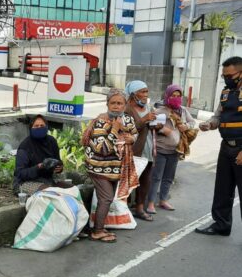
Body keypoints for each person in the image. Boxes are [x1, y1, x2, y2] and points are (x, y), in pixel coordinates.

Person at [83, 89, 138, 243]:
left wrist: (131, 139)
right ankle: (97, 231)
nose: (116, 106)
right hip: (98, 167)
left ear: (125, 105)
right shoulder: (100, 122)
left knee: (107, 198)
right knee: (106, 198)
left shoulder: (127, 120)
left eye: (119, 103)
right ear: (107, 104)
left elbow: (134, 133)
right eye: (112, 103)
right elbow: (103, 149)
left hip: (115, 168)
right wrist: (114, 129)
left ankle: (99, 227)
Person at [196, 56, 242, 236]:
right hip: (226, 147)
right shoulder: (226, 93)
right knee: (223, 189)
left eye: (229, 75)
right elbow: (218, 116)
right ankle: (221, 225)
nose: (226, 79)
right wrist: (209, 124)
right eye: (224, 76)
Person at [146, 85, 196, 215]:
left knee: (168, 177)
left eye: (178, 96)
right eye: (173, 96)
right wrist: (162, 130)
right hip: (161, 150)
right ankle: (150, 203)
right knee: (156, 177)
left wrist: (186, 126)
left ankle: (163, 200)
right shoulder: (160, 111)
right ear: (167, 96)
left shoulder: (183, 111)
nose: (176, 98)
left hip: (176, 150)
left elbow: (192, 122)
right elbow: (151, 125)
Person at [124, 80, 158, 221]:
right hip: (133, 150)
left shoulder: (148, 108)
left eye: (146, 92)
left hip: (148, 148)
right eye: (142, 92)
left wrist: (157, 124)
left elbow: (150, 128)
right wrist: (144, 119)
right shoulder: (126, 109)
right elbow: (128, 129)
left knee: (145, 180)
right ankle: (123, 210)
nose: (146, 95)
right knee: (128, 180)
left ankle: (139, 208)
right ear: (133, 94)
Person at [14, 115, 64, 195]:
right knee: (50, 193)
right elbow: (20, 173)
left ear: (46, 127)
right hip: (25, 182)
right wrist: (39, 167)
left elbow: (57, 161)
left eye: (42, 126)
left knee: (71, 190)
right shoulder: (25, 147)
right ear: (31, 128)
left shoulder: (51, 141)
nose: (39, 128)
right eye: (36, 126)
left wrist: (59, 167)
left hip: (47, 179)